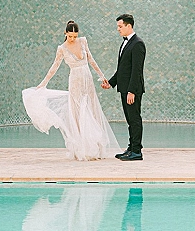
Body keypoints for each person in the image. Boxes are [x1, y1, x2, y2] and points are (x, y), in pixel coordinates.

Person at [22, 21, 118, 160]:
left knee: (92, 109)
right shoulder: (62, 48)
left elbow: (91, 59)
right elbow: (54, 67)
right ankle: (81, 148)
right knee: (78, 112)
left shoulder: (83, 41)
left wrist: (102, 76)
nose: (72, 38)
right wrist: (43, 83)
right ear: (65, 34)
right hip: (75, 81)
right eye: (70, 36)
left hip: (88, 79)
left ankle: (96, 147)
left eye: (75, 36)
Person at [102, 14, 146, 161]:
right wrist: (111, 82)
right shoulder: (126, 43)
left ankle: (137, 152)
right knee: (129, 120)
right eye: (118, 27)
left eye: (120, 26)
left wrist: (131, 91)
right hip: (124, 88)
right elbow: (122, 69)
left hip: (131, 90)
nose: (118, 29)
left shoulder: (138, 43)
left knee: (134, 119)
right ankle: (131, 148)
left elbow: (136, 70)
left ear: (129, 26)